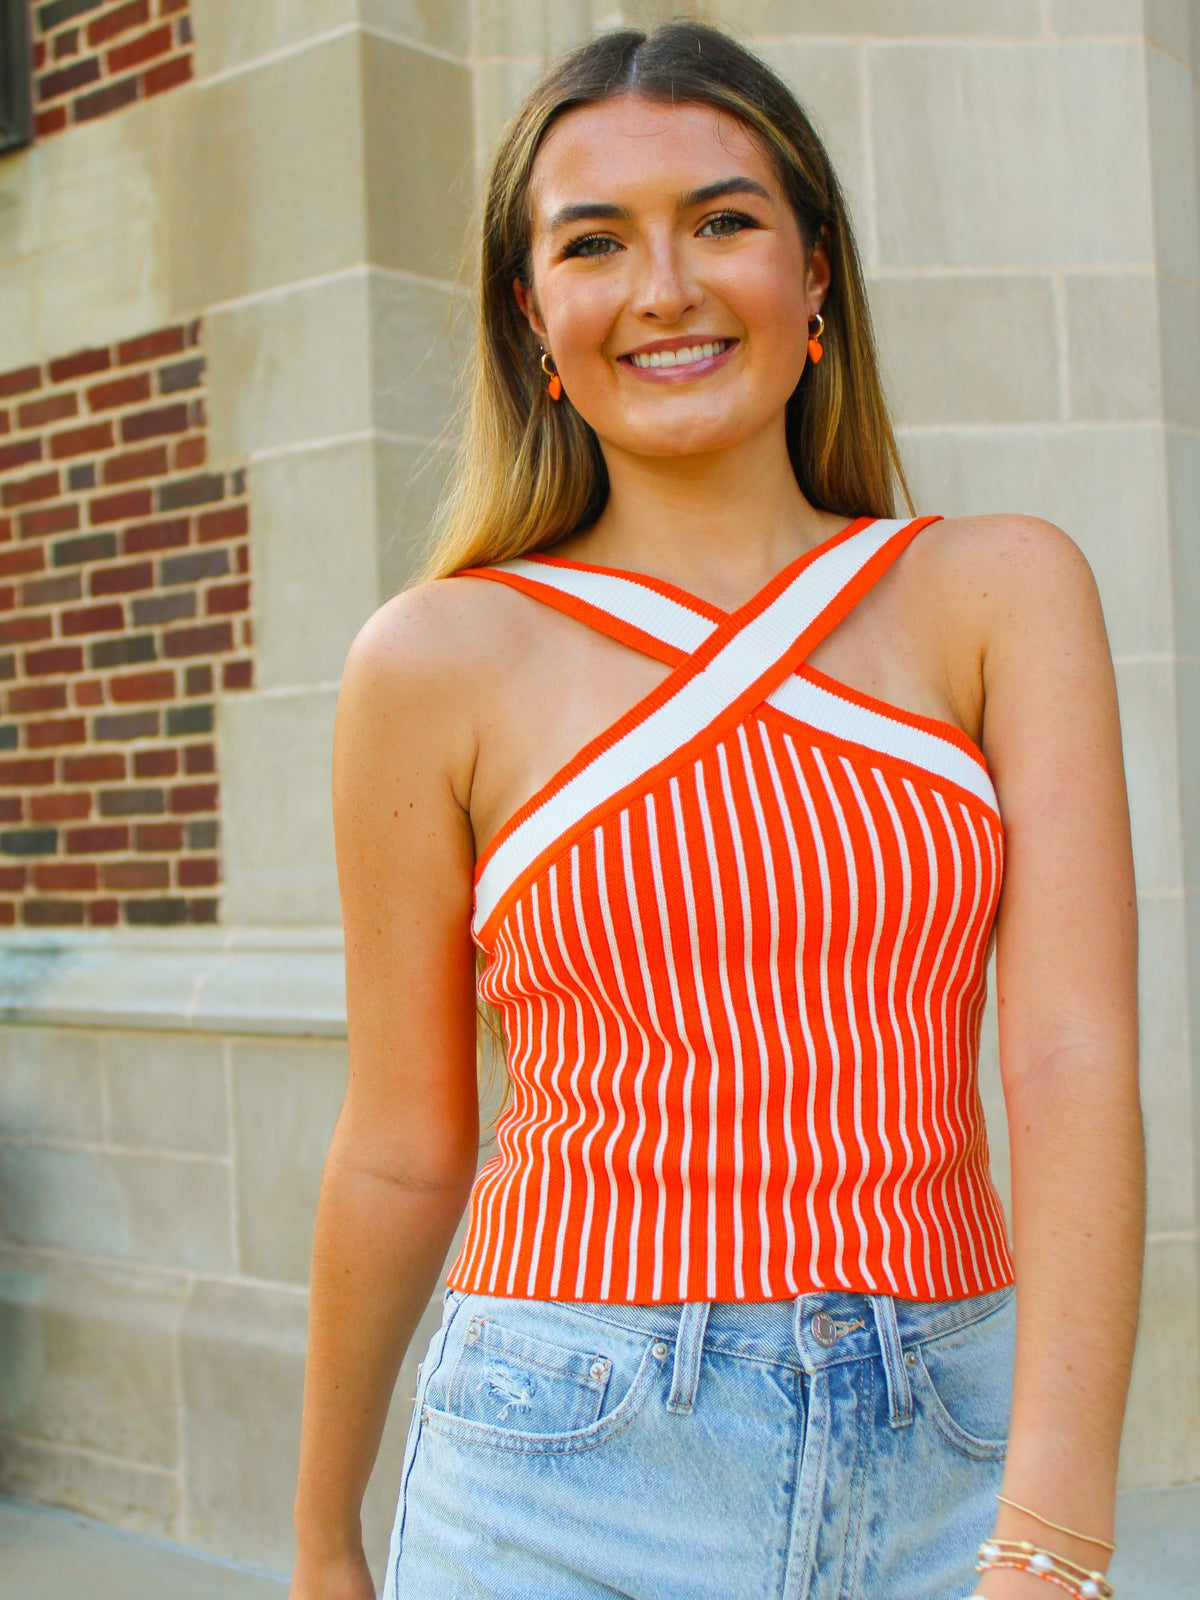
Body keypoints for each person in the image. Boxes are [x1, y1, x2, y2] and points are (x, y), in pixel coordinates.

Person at [289, 19, 1144, 1600]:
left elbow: (1073, 1058)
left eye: (725, 221)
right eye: (595, 242)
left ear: (816, 274)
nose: (666, 288)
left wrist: (1059, 1530)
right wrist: (323, 1537)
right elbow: (407, 1145)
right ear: (534, 314)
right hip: (555, 1458)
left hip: (949, 1453)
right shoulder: (433, 658)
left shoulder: (999, 590)